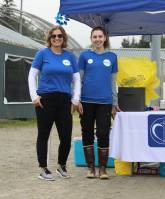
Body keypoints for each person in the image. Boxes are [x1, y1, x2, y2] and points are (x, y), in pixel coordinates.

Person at [28, 26, 81, 181]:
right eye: (53, 36)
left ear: (64, 38)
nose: (56, 38)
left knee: (66, 136)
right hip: (46, 100)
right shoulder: (42, 54)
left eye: (60, 36)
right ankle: (43, 169)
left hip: (64, 100)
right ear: (49, 38)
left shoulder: (70, 57)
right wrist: (34, 96)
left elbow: (76, 79)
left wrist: (75, 99)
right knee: (43, 135)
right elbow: (32, 76)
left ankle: (61, 166)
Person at [77, 26, 120, 179]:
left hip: (105, 102)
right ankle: (90, 168)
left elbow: (113, 81)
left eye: (100, 36)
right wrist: (77, 100)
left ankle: (102, 169)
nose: (97, 39)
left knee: (103, 133)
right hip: (86, 101)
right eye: (94, 37)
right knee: (87, 132)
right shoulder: (84, 56)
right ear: (91, 39)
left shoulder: (112, 57)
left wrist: (115, 103)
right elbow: (78, 80)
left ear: (105, 38)